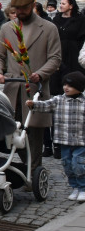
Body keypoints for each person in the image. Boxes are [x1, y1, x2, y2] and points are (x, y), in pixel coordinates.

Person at [0, 0, 62, 175]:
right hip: (13, 88)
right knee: (14, 131)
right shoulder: (7, 28)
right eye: (17, 9)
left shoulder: (48, 28)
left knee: (34, 132)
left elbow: (55, 58)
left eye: (23, 8)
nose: (20, 12)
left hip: (36, 89)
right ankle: (28, 166)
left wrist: (40, 73)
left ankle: (34, 169)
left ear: (32, 6)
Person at [27, 72, 85, 201]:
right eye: (65, 84)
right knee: (67, 165)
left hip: (81, 141)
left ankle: (83, 188)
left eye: (70, 85)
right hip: (64, 140)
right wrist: (34, 105)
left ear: (79, 87)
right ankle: (75, 187)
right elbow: (46, 105)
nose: (66, 87)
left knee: (78, 164)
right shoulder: (59, 100)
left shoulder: (83, 102)